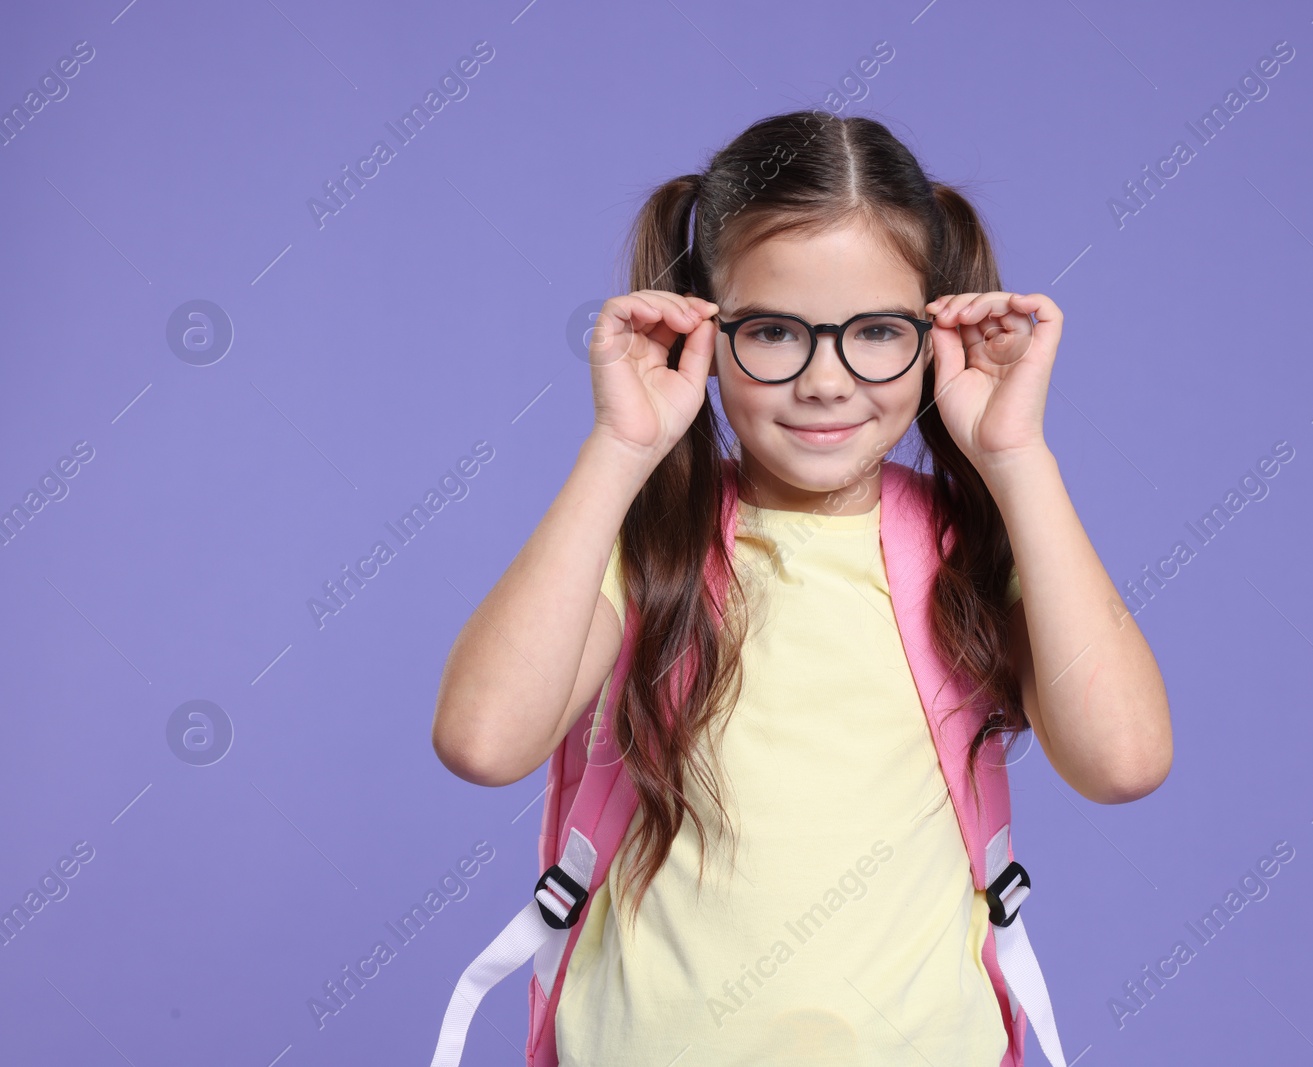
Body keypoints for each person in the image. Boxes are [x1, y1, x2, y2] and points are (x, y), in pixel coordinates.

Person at [431, 108, 1172, 1066]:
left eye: (874, 332)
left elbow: (1123, 761)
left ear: (934, 327)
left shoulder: (972, 546)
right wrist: (621, 450)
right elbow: (483, 741)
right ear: (701, 325)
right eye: (776, 332)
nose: (827, 381)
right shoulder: (648, 548)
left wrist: (1017, 458)